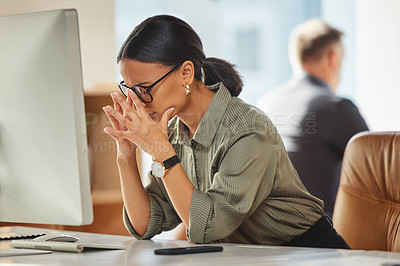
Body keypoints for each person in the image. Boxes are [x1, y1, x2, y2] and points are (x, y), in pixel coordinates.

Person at [102, 15, 350, 249]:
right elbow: (144, 224)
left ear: (186, 73)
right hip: (254, 256)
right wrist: (125, 157)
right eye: (130, 89)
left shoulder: (248, 129)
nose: (138, 101)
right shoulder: (174, 132)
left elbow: (208, 227)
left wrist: (163, 154)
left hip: (308, 253)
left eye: (144, 88)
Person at [256, 19, 369, 218]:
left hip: (266, 232)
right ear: (333, 58)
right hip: (319, 235)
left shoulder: (264, 104)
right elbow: (379, 167)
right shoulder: (335, 107)